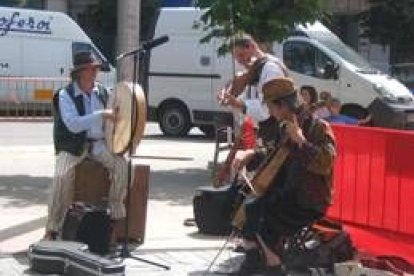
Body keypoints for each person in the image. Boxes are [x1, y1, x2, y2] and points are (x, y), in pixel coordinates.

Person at [233, 77, 336, 275]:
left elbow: (325, 163)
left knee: (262, 214)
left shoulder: (318, 128)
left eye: (271, 107)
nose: (270, 112)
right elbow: (274, 155)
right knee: (242, 198)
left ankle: (274, 265)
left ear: (283, 106)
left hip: (308, 198)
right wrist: (250, 153)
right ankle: (253, 259)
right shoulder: (284, 126)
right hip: (285, 190)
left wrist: (301, 141)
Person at [44, 51, 128, 240]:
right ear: (80, 72)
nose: (96, 72)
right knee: (61, 176)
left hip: (99, 144)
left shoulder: (104, 92)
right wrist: (101, 115)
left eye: (96, 68)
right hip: (74, 146)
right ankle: (53, 228)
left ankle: (113, 218)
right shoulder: (65, 95)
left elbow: (117, 119)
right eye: (92, 68)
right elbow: (74, 125)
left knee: (123, 166)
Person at [217, 34, 288, 170]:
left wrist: (237, 104)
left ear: (252, 47)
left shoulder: (270, 69)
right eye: (236, 58)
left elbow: (267, 110)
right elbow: (248, 99)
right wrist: (229, 99)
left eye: (242, 55)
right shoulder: (257, 70)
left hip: (278, 133)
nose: (240, 61)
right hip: (266, 133)